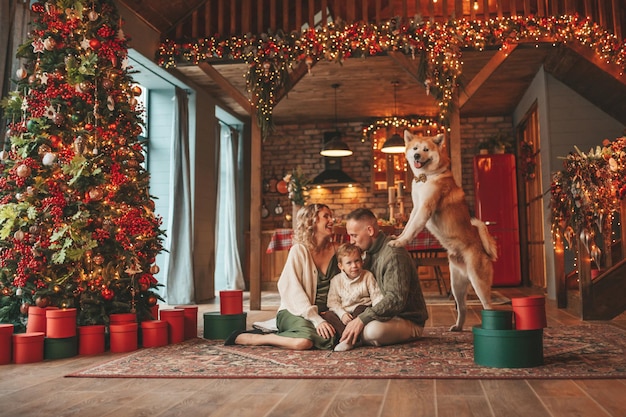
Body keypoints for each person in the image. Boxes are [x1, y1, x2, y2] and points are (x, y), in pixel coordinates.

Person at [225, 203, 339, 350]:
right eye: (326, 216)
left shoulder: (337, 249)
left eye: (331, 216)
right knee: (303, 342)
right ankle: (263, 338)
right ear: (312, 221)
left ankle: (289, 333)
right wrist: (316, 319)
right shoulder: (299, 250)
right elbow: (291, 290)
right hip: (295, 310)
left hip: (324, 312)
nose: (332, 220)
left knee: (336, 336)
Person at [341, 208, 428, 347]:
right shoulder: (367, 253)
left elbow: (395, 299)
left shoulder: (394, 254)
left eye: (354, 235)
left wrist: (362, 319)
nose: (351, 241)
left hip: (407, 319)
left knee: (371, 332)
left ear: (370, 231)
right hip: (384, 316)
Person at [323, 242, 383, 352]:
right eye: (349, 263)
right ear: (341, 266)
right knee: (328, 315)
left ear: (362, 261)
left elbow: (376, 296)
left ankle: (348, 340)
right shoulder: (336, 280)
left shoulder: (367, 276)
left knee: (360, 308)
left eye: (357, 261)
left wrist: (378, 312)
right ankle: (349, 338)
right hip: (345, 316)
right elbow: (333, 302)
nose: (354, 266)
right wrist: (342, 315)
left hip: (360, 313)